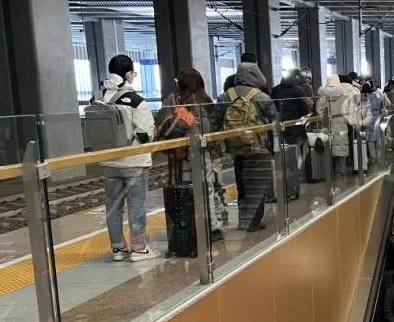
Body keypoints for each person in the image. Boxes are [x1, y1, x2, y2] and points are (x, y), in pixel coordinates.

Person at [96, 55, 157, 261]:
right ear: (129, 74)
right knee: (136, 206)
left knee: (113, 207)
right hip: (134, 161)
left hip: (109, 162)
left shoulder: (97, 99)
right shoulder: (136, 101)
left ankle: (118, 248)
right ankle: (138, 248)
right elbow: (146, 133)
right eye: (133, 73)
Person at [159, 66, 225, 240]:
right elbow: (213, 126)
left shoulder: (172, 99)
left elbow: (162, 122)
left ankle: (185, 227)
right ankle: (211, 227)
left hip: (179, 154)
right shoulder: (205, 100)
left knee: (183, 190)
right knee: (207, 189)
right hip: (202, 152)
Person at [216, 59, 279, 232]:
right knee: (257, 185)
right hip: (259, 148)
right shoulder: (262, 97)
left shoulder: (225, 96)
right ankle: (254, 222)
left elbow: (216, 122)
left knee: (241, 184)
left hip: (236, 148)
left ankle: (243, 219)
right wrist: (274, 149)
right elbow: (275, 123)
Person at [271, 67, 312, 148]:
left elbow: (273, 107)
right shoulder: (298, 90)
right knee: (299, 150)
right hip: (296, 126)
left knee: (284, 150)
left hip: (280, 126)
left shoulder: (275, 89)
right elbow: (304, 110)